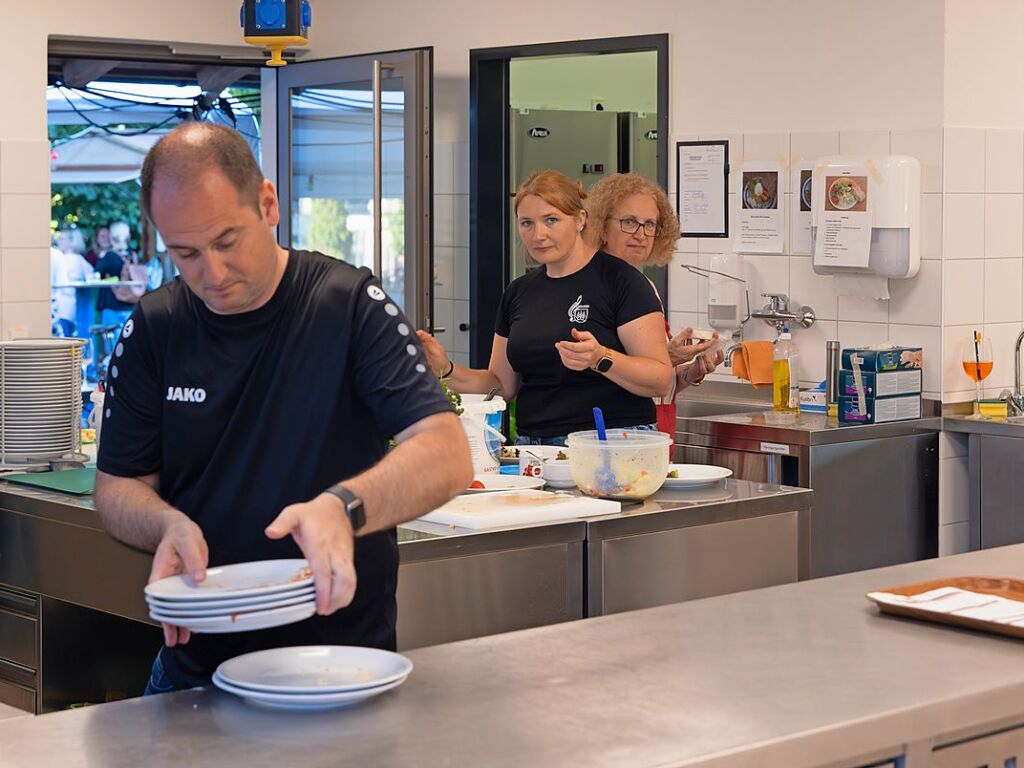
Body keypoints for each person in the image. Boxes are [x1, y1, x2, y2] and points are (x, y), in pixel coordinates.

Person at [94, 123, 472, 694]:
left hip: (342, 668)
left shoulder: (348, 307)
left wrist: (341, 506)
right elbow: (118, 487)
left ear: (267, 204)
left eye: (226, 241)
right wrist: (163, 522)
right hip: (196, 677)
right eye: (186, 254)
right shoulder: (155, 328)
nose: (212, 275)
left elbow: (446, 454)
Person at [418, 169, 672, 446]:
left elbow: (660, 379)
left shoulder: (623, 281)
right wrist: (446, 369)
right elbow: (502, 386)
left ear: (580, 220)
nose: (538, 234)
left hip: (610, 444)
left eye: (551, 220)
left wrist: (600, 358)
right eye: (527, 223)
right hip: (533, 449)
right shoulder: (518, 292)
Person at [584, 172, 724, 393]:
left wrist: (690, 373)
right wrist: (667, 358)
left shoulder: (645, 286)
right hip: (615, 424)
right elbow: (596, 375)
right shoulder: (588, 286)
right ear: (601, 226)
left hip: (653, 422)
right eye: (629, 222)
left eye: (650, 224)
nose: (641, 234)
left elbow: (659, 387)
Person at [95, 221, 142, 334]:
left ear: (112, 237)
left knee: (114, 348)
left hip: (112, 306)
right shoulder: (133, 256)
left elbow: (95, 274)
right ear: (128, 236)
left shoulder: (109, 256)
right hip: (132, 306)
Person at [50, 229, 94, 337]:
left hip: (62, 307)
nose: (58, 241)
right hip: (74, 308)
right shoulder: (81, 260)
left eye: (62, 239)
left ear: (72, 241)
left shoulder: (63, 258)